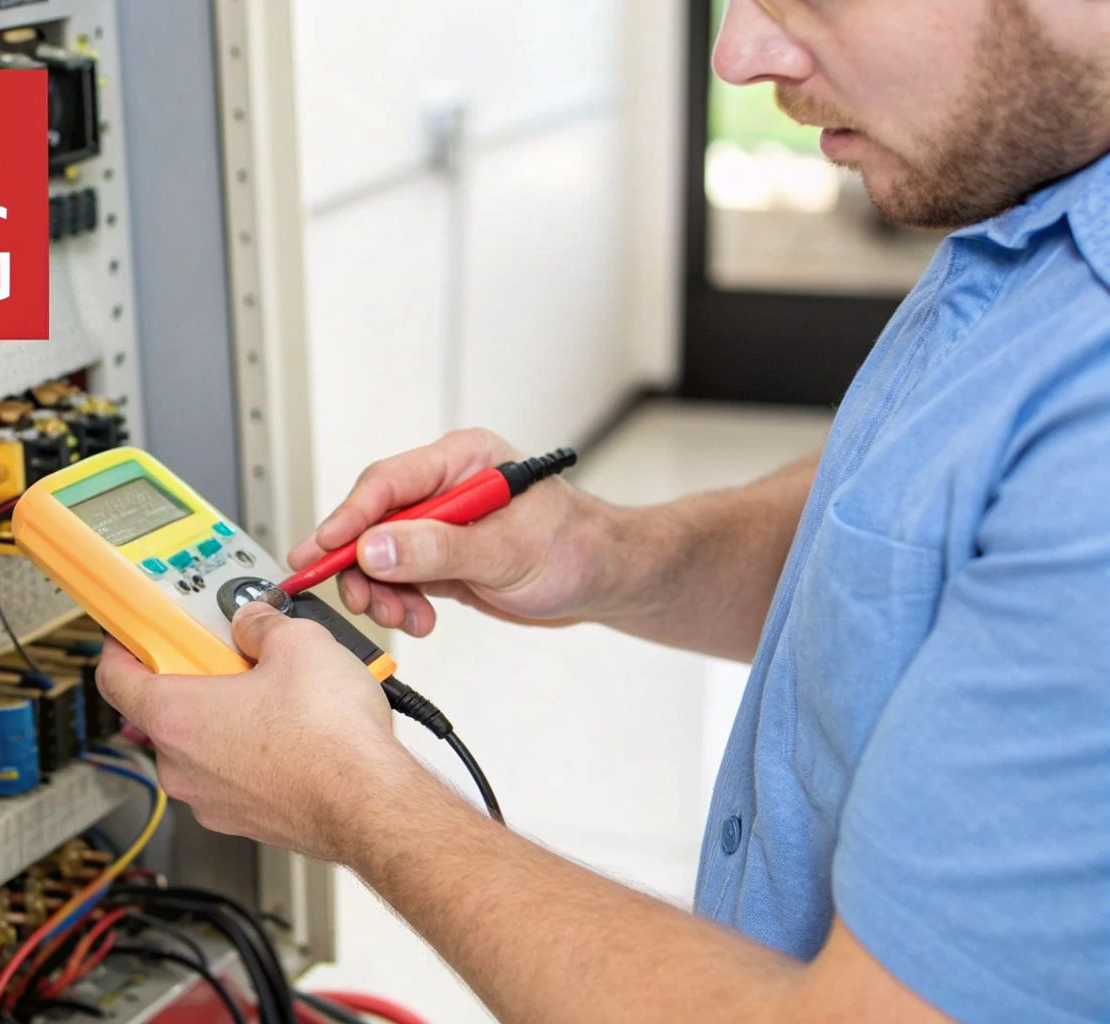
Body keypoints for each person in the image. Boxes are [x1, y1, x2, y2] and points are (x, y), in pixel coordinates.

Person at [96, 0, 1110, 1019]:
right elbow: (921, 531)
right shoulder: (1034, 187)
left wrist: (356, 797)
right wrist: (610, 553)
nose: (737, 54)